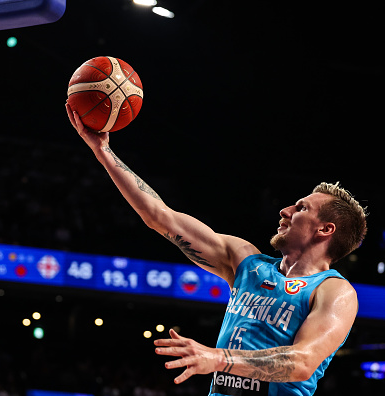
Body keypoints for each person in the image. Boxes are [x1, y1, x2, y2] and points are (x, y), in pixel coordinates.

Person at [65, 103, 367, 396]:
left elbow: (302, 363)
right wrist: (103, 152)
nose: (285, 211)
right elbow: (160, 217)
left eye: (300, 208)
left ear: (325, 230)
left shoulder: (334, 292)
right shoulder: (246, 262)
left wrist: (219, 359)